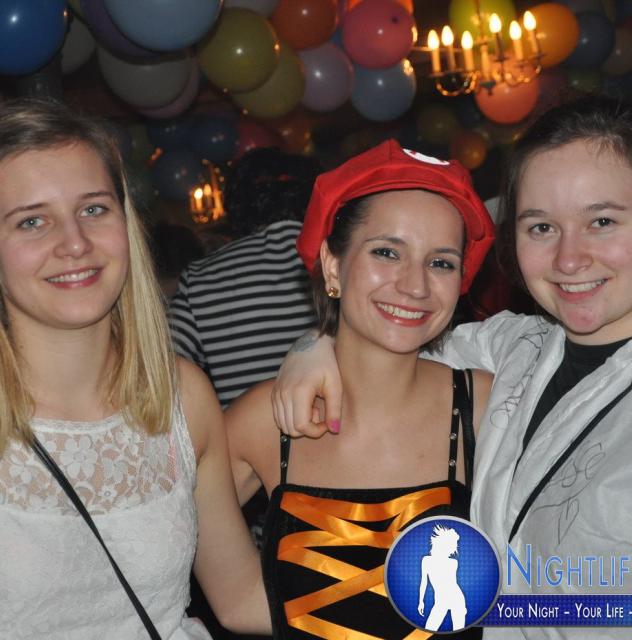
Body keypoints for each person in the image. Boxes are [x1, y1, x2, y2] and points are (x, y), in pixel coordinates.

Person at [271, 96, 632, 639]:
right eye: (541, 227)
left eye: (601, 221)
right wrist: (314, 342)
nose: (568, 259)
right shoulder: (515, 348)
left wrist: (487, 611)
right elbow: (392, 332)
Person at [0, 98, 270, 640]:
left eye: (94, 209)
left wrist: (408, 601)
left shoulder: (180, 394)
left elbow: (242, 597)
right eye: (32, 221)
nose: (74, 243)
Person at [225, 139, 495, 639]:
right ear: (333, 265)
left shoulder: (488, 407)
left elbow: (558, 594)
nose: (415, 286)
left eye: (440, 262)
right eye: (387, 252)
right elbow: (231, 601)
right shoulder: (263, 421)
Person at [169, 146, 320, 408]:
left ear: (236, 204)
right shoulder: (344, 263)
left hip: (241, 433)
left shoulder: (200, 277)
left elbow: (158, 367)